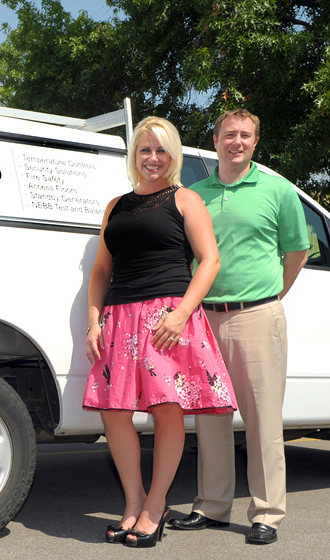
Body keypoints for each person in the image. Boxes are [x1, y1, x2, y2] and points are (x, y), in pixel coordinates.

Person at [82, 116, 237, 548]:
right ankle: (132, 503)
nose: (153, 158)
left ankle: (156, 505)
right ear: (134, 155)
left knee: (168, 410)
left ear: (173, 155)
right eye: (145, 150)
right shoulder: (116, 206)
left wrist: (181, 313)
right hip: (119, 318)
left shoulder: (185, 199)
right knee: (115, 412)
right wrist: (94, 321)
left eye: (161, 150)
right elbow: (100, 270)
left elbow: (209, 261)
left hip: (168, 317)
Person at [168, 109, 309, 545]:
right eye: (229, 134)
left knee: (263, 420)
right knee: (210, 418)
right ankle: (212, 506)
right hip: (203, 319)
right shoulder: (193, 194)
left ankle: (267, 512)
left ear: (255, 141)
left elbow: (297, 252)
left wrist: (269, 297)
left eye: (245, 135)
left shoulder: (278, 190)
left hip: (256, 316)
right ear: (215, 140)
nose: (237, 142)